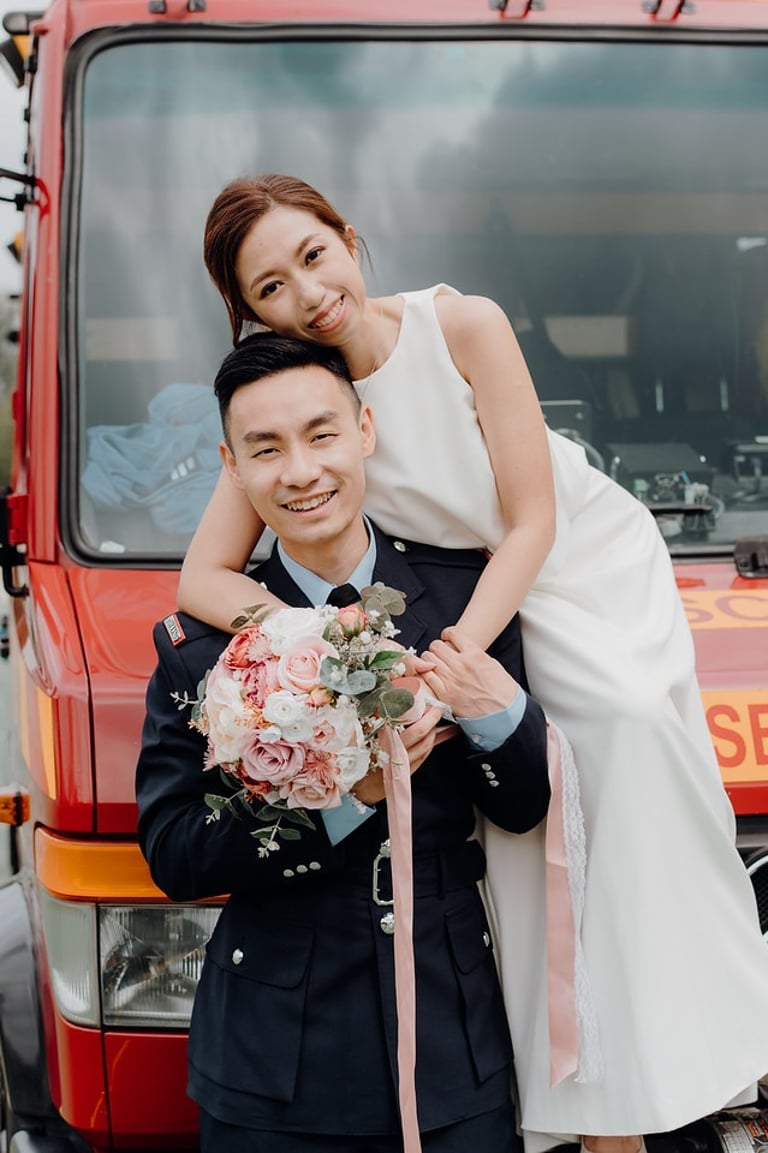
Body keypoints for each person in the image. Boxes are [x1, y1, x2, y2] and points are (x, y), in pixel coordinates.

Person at [176, 174, 768, 1153]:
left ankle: (670, 1063)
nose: (308, 294)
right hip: (449, 598)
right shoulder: (296, 409)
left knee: (615, 737)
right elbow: (202, 577)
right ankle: (565, 1099)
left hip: (567, 568)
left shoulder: (462, 324)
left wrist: (450, 655)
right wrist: (330, 644)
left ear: (348, 238)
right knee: (506, 837)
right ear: (250, 313)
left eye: (314, 256)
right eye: (271, 288)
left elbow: (532, 520)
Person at [136, 332, 554, 1153]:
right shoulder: (204, 645)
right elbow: (176, 853)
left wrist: (495, 712)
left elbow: (524, 806)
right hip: (275, 1061)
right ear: (232, 465)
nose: (300, 471)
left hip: (452, 1038)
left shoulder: (468, 597)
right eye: (266, 448)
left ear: (364, 430)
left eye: (321, 434)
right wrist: (343, 799)